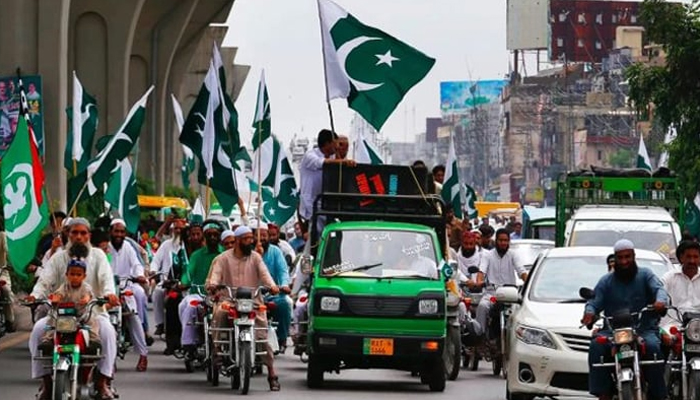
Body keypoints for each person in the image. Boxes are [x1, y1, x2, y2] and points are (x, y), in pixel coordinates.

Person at [27, 218, 119, 400]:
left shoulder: (99, 256)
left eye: (83, 233)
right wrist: (34, 296)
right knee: (38, 330)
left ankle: (102, 383)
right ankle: (46, 383)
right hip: (60, 315)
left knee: (108, 332)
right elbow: (45, 281)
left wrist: (109, 294)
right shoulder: (58, 258)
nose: (78, 237)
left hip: (93, 313)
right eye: (74, 233)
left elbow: (106, 279)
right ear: (68, 235)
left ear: (89, 236)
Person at [581, 239, 668, 400]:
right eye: (620, 258)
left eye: (628, 257)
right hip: (612, 331)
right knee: (596, 346)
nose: (624, 261)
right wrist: (589, 313)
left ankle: (658, 394)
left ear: (634, 256)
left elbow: (659, 290)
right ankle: (603, 392)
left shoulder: (646, 275)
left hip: (644, 329)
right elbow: (594, 301)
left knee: (653, 347)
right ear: (615, 259)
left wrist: (660, 302)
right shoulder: (606, 281)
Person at [206, 226, 281, 391]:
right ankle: (218, 350)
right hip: (229, 300)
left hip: (252, 301)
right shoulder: (222, 258)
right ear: (238, 241)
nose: (251, 241)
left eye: (251, 238)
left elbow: (265, 275)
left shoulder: (255, 257)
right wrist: (213, 285)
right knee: (218, 313)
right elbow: (216, 275)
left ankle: (272, 374)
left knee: (263, 334)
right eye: (247, 239)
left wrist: (273, 286)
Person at [107, 219, 149, 371]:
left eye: (121, 232)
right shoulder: (105, 248)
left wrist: (139, 275)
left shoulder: (128, 247)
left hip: (126, 286)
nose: (119, 235)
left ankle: (143, 354)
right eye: (116, 231)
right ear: (110, 232)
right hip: (107, 290)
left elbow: (137, 264)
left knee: (133, 314)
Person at [299, 129, 355, 237]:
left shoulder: (334, 157)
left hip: (326, 203)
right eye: (335, 143)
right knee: (315, 237)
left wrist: (341, 150)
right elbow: (325, 164)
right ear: (328, 143)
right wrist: (343, 161)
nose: (336, 146)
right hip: (311, 203)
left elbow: (340, 162)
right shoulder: (310, 156)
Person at [178, 222, 223, 353]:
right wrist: (183, 282)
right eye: (209, 235)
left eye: (215, 235)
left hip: (221, 295)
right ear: (205, 237)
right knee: (186, 305)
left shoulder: (225, 254)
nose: (213, 238)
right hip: (199, 294)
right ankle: (188, 343)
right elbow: (189, 272)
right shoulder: (196, 255)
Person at [475, 229, 527, 336]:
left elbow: (521, 271)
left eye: (506, 240)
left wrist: (528, 281)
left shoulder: (513, 255)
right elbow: (482, 271)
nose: (503, 243)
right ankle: (480, 336)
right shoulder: (488, 255)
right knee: (483, 306)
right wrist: (479, 281)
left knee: (520, 311)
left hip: (510, 296)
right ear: (496, 241)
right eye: (501, 240)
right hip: (493, 296)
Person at [251, 221, 293, 353]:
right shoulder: (246, 253)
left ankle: (281, 337)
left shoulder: (276, 252)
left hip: (272, 294)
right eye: (259, 235)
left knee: (284, 303)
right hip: (249, 296)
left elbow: (282, 271)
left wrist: (284, 285)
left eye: (264, 235)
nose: (262, 238)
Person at [44, 250, 99, 345]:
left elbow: (88, 295)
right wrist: (56, 299)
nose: (75, 277)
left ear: (84, 276)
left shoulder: (85, 287)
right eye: (72, 274)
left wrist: (86, 300)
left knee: (92, 320)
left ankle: (94, 339)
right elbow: (59, 294)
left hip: (81, 314)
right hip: (64, 314)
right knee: (51, 319)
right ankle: (47, 339)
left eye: (78, 275)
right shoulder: (64, 286)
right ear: (67, 275)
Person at [150, 218, 188, 336]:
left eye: (181, 229)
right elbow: (156, 260)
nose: (178, 231)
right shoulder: (166, 245)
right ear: (172, 230)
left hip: (184, 282)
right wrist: (153, 271)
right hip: (167, 280)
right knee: (157, 292)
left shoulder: (188, 245)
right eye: (176, 228)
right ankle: (160, 324)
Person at [661, 240, 700, 334]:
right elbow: (659, 296)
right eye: (688, 257)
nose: (692, 261)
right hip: (673, 327)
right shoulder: (669, 278)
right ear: (681, 258)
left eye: (695, 257)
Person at [0, 230, 14, 333]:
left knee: (6, 290)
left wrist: (12, 261)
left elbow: (8, 250)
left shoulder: (2, 235)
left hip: (1, 271)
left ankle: (10, 321)